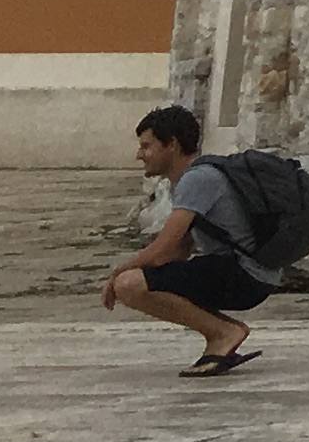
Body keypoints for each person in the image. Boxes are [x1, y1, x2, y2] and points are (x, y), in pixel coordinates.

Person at [105, 104, 273, 374]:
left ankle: (224, 333)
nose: (140, 155)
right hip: (241, 271)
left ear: (171, 144)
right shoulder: (189, 179)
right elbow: (182, 248)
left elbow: (165, 246)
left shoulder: (197, 179)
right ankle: (222, 332)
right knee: (139, 280)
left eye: (147, 146)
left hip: (244, 275)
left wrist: (119, 274)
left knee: (129, 284)